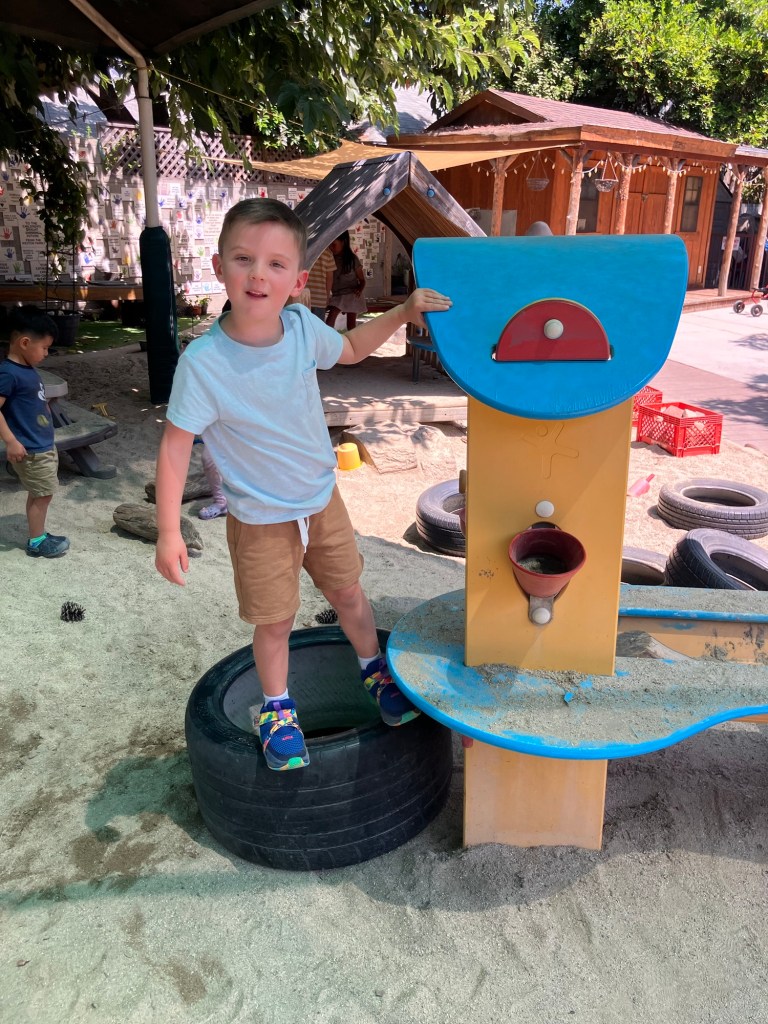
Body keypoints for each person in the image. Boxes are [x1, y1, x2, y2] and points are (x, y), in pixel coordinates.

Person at [155, 198, 451, 772]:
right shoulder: (204, 363)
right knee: (275, 621)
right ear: (219, 268)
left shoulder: (298, 328)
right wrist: (169, 530)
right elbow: (174, 445)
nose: (258, 275)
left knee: (349, 594)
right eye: (244, 259)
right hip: (261, 519)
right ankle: (277, 710)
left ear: (296, 281)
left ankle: (373, 670)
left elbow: (353, 348)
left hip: (321, 501)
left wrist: (403, 309)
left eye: (275, 264)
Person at [0, 306, 70, 558]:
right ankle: (37, 542)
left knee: (40, 492)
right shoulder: (9, 373)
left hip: (41, 444)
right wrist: (11, 441)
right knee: (43, 494)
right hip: (31, 448)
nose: (46, 353)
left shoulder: (26, 369)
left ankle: (38, 534)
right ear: (24, 342)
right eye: (44, 348)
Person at [326, 230, 367, 330]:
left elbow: (362, 280)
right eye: (329, 245)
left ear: (343, 242)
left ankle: (352, 339)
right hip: (337, 295)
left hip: (351, 294)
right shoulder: (330, 258)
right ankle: (328, 338)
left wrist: (360, 289)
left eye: (334, 245)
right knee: (330, 319)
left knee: (351, 325)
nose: (331, 248)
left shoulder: (352, 259)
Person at [306, 247, 334, 319]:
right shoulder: (328, 253)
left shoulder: (303, 251)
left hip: (303, 297)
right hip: (320, 298)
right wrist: (327, 296)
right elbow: (329, 278)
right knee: (317, 324)